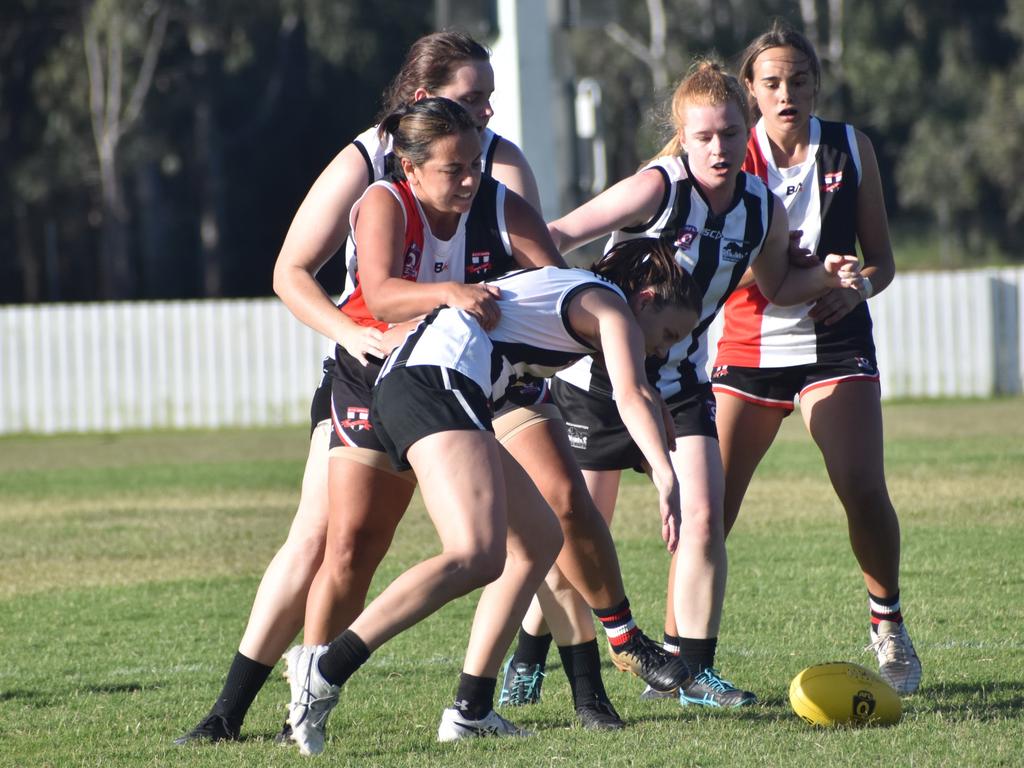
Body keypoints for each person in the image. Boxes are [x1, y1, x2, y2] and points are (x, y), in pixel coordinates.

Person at [173, 30, 552, 745]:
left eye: (488, 101)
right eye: (470, 100)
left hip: (454, 377)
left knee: (536, 529)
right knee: (331, 543)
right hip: (367, 366)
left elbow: (544, 281)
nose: (488, 113)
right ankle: (244, 711)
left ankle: (496, 701)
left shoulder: (488, 170)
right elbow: (295, 273)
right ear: (420, 103)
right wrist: (354, 331)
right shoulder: (372, 169)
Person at [507, 59, 862, 709]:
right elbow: (555, 234)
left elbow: (780, 285)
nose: (719, 148)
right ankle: (529, 653)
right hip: (597, 381)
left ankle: (692, 675)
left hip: (683, 382)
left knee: (701, 519)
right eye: (704, 137)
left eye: (729, 133)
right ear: (683, 136)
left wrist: (834, 276)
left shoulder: (760, 206)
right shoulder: (657, 188)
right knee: (580, 534)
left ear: (744, 129)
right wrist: (567, 313)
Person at [282, 236, 704, 756]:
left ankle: (471, 711)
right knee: (475, 554)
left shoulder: (578, 297)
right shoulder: (609, 305)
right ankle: (323, 668)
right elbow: (631, 392)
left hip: (426, 384)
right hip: (434, 383)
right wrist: (667, 474)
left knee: (539, 539)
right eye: (667, 334)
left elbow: (637, 390)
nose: (663, 348)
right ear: (644, 299)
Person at [710, 21, 921, 694]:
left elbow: (882, 263)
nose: (785, 93)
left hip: (834, 341)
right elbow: (707, 258)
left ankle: (888, 626)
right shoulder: (725, 153)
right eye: (770, 82)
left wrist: (856, 281)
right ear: (749, 91)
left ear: (816, 84)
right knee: (709, 509)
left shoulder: (849, 147)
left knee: (862, 486)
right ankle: (690, 656)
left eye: (798, 80)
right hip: (747, 345)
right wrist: (783, 271)